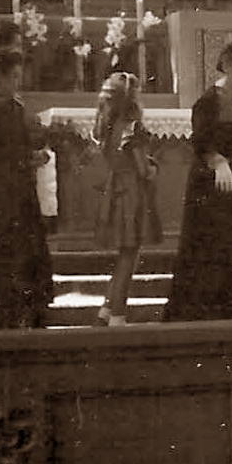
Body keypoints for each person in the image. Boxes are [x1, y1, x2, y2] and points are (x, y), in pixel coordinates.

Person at [164, 38, 232, 322]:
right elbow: (200, 140)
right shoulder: (208, 101)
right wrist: (217, 160)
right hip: (213, 192)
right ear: (228, 64)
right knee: (213, 249)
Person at [0, 47, 52, 329]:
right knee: (15, 256)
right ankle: (16, 320)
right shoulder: (5, 107)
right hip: (10, 193)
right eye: (14, 76)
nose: (18, 82)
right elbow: (16, 153)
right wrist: (36, 158)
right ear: (0, 77)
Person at [92, 71, 161, 326]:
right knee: (129, 256)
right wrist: (153, 168)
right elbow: (143, 169)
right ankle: (118, 314)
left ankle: (107, 309)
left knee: (124, 254)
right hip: (133, 192)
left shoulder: (108, 126)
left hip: (117, 189)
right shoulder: (132, 126)